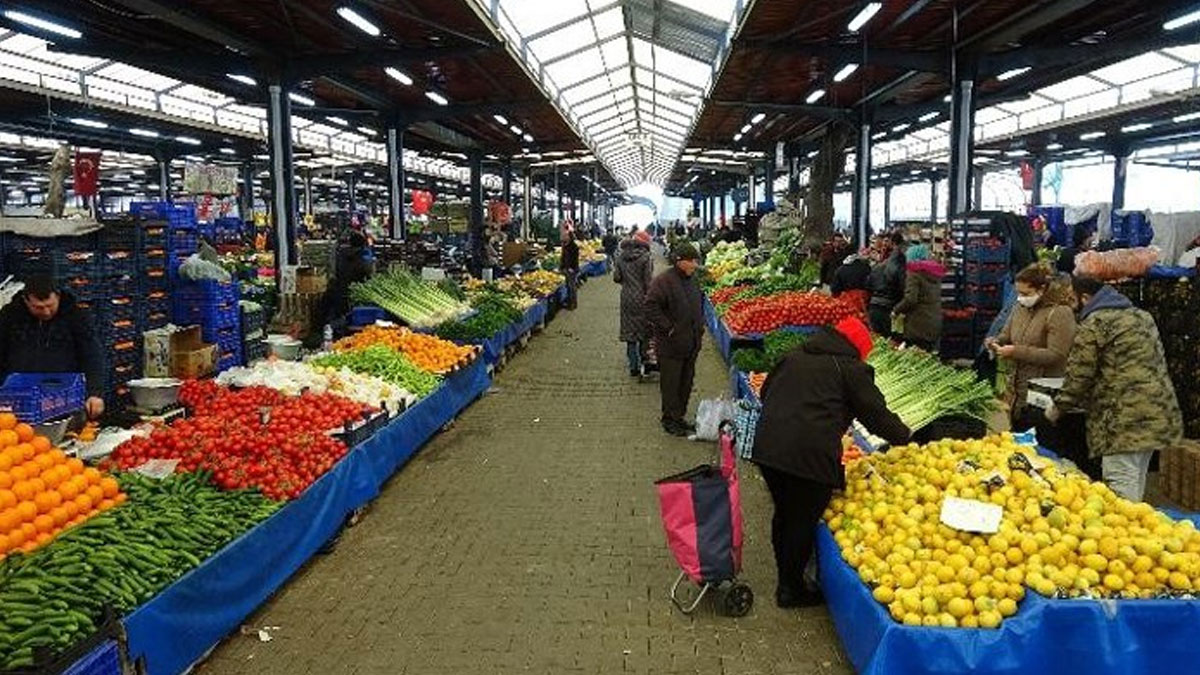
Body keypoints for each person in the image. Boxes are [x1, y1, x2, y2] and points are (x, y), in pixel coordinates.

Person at [752, 317, 911, 608]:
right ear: (859, 348)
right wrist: (906, 438)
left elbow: (765, 392)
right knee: (801, 519)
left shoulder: (795, 355)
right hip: (807, 454)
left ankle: (786, 576)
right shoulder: (850, 369)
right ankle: (791, 589)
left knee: (785, 513)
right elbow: (876, 415)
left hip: (768, 447)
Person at [1047, 276, 1183, 501]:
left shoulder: (1095, 322)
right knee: (1136, 474)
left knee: (1121, 486)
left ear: (1086, 298)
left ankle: (1127, 532)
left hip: (1122, 420)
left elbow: (1080, 374)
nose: (1072, 307)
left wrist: (1058, 406)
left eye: (1073, 301)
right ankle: (1139, 527)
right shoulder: (1142, 316)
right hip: (1157, 411)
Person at [985, 264, 1076, 432]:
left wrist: (1015, 351)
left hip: (1043, 395)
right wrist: (995, 341)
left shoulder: (1060, 313)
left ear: (1042, 289)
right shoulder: (1019, 308)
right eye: (1018, 293)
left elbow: (1057, 354)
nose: (1020, 298)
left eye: (1025, 293)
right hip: (1016, 392)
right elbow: (1006, 334)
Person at [0, 275, 106, 419]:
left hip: (63, 398)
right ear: (26, 300)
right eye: (38, 307)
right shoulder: (9, 317)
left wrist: (95, 392)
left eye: (50, 305)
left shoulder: (76, 316)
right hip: (20, 399)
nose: (46, 312)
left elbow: (92, 355)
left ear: (58, 296)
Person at [645, 243, 704, 436]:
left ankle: (679, 417)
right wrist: (668, 328)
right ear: (680, 261)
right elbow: (651, 306)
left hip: (691, 342)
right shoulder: (664, 281)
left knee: (685, 383)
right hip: (671, 345)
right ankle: (669, 420)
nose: (695, 264)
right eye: (692, 261)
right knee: (671, 385)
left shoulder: (692, 280)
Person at [316, 231, 374, 338]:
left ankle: (331, 332)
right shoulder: (363, 258)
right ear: (363, 244)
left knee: (338, 313)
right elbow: (368, 274)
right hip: (353, 292)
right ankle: (335, 332)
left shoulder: (341, 254)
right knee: (346, 317)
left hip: (339, 289)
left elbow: (334, 271)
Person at [613, 231, 653, 376]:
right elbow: (648, 281)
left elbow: (616, 278)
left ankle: (633, 367)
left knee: (630, 332)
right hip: (642, 296)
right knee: (643, 330)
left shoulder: (620, 256)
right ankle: (644, 360)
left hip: (626, 297)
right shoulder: (646, 258)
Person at [891, 244, 944, 352]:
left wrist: (896, 310)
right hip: (934, 322)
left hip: (918, 324)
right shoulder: (934, 273)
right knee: (929, 356)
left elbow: (911, 299)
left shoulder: (914, 273)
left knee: (916, 357)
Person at [867, 232, 906, 336]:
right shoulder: (900, 263)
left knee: (876, 340)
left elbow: (869, 284)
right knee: (890, 339)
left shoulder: (879, 266)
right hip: (888, 307)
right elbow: (902, 288)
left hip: (875, 305)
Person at [560, 230, 581, 310]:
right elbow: (563, 258)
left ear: (570, 237)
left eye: (566, 236)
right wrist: (562, 267)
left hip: (571, 269)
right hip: (566, 269)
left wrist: (572, 268)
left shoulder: (573, 246)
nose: (564, 237)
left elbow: (574, 259)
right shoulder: (565, 245)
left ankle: (573, 304)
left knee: (572, 287)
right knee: (569, 287)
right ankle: (570, 302)